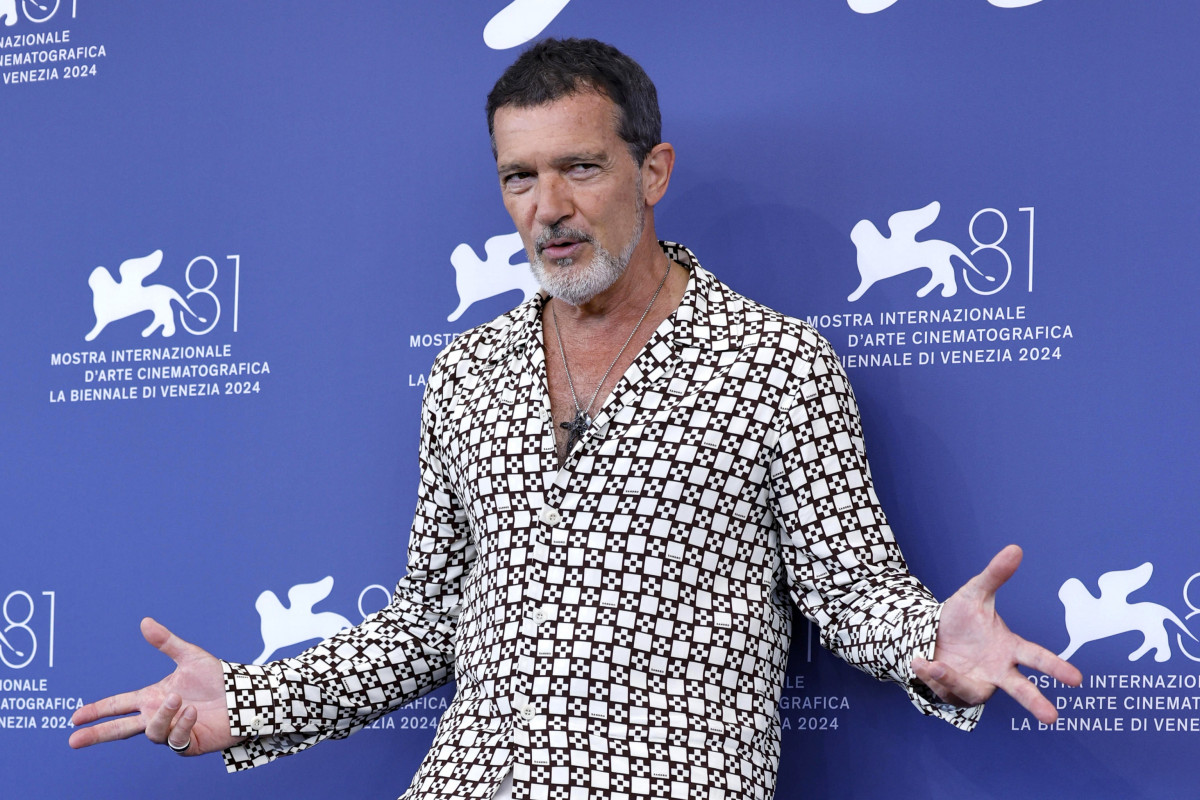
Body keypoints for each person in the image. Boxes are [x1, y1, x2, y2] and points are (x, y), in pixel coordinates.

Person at [69, 38, 1080, 799]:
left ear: (654, 170)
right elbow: (427, 620)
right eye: (519, 175)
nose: (546, 205)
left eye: (579, 167)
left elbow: (849, 582)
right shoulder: (468, 372)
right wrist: (250, 702)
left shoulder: (775, 363)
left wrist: (930, 642)